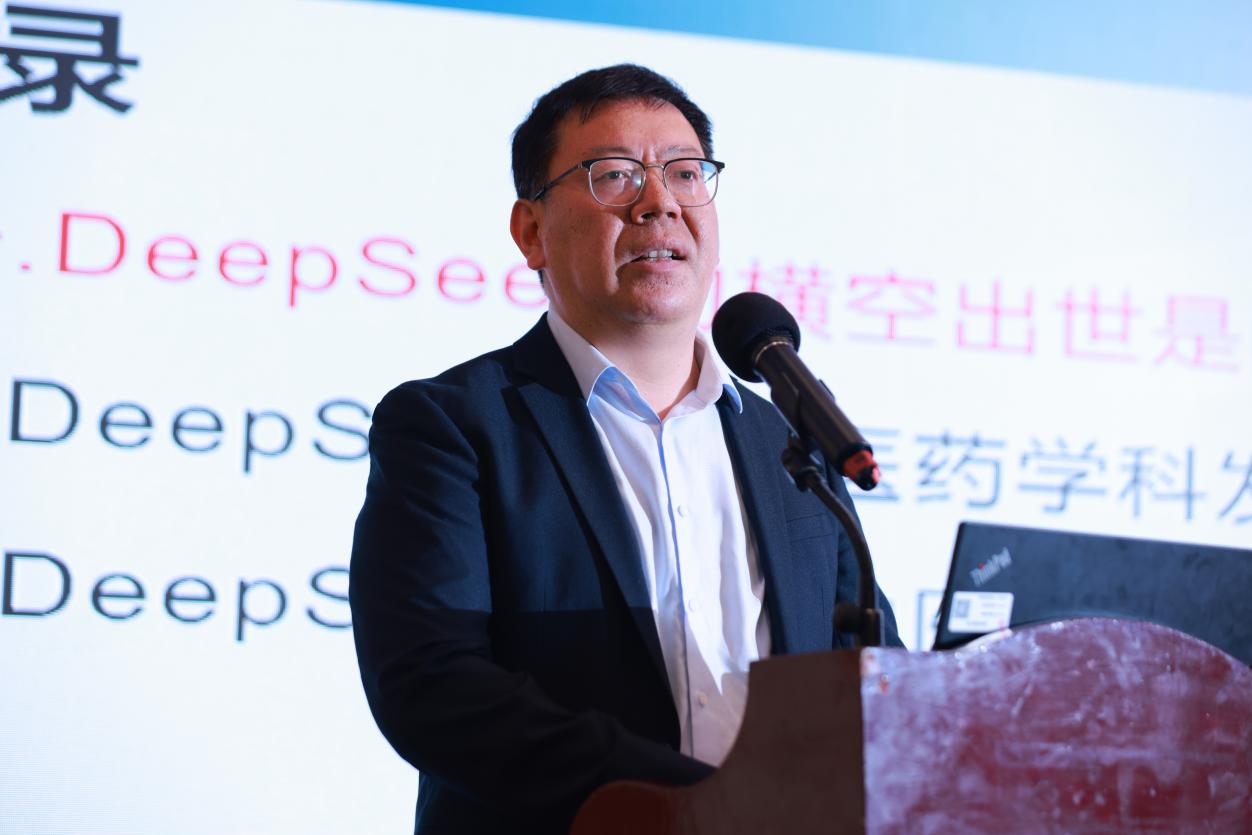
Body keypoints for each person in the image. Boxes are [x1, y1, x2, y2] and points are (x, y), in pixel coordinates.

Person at [349, 63, 902, 835]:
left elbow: (866, 671)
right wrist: (708, 802)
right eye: (614, 175)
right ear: (531, 231)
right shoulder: (452, 427)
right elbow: (434, 685)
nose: (659, 202)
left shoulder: (787, 437)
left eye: (685, 173)